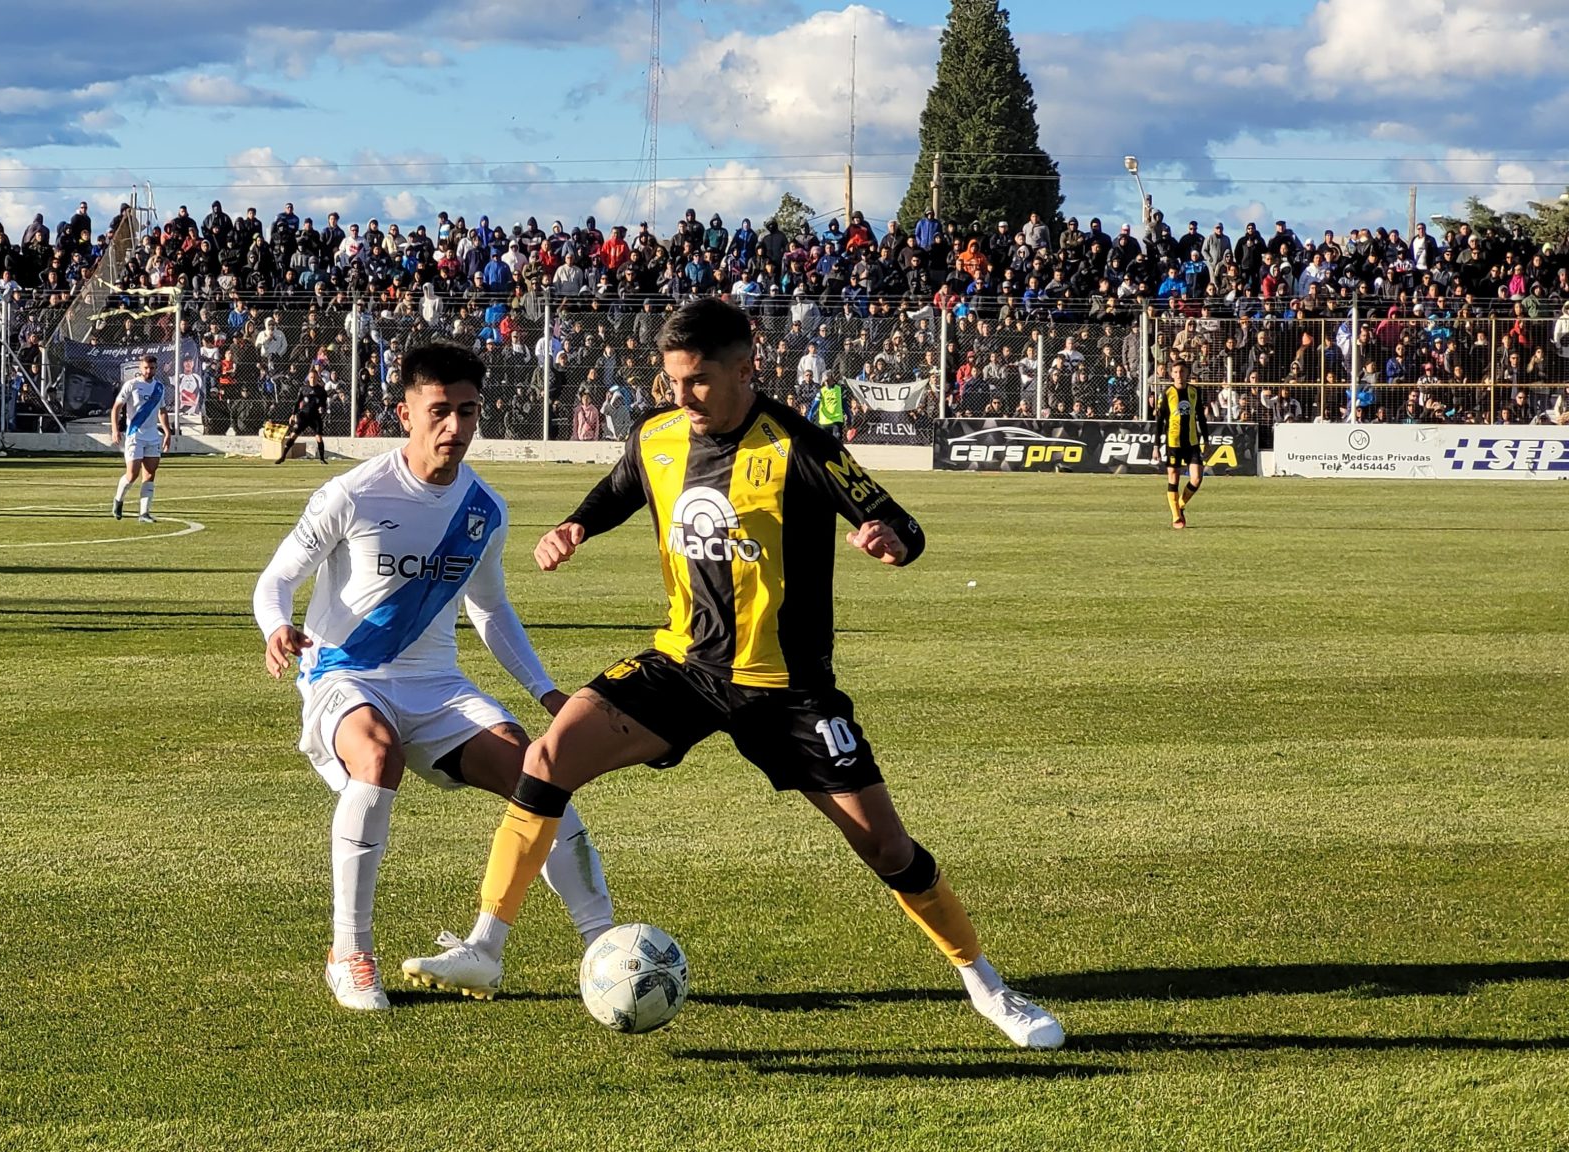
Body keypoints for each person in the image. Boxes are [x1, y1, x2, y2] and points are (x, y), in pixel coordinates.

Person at [401, 298, 1063, 1050]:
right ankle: (487, 946)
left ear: (748, 369)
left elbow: (899, 522)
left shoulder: (799, 445)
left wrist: (889, 540)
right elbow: (622, 488)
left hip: (787, 691)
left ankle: (988, 986)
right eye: (671, 380)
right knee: (548, 756)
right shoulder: (654, 434)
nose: (679, 396)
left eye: (698, 381)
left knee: (886, 847)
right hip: (681, 667)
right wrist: (576, 526)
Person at [253, 342, 614, 1012]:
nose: (455, 426)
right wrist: (276, 626)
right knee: (378, 755)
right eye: (440, 411)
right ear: (406, 413)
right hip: (345, 673)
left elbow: (491, 607)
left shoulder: (485, 509)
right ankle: (350, 953)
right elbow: (275, 582)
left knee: (541, 770)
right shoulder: (352, 493)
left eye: (467, 412)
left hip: (436, 685)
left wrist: (545, 691)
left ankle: (606, 948)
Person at [111, 354, 173, 523]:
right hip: (135, 435)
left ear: (156, 368)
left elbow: (162, 411)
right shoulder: (131, 385)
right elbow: (117, 407)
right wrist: (115, 429)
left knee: (150, 474)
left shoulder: (159, 387)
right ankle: (118, 499)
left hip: (153, 436)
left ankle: (144, 513)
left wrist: (167, 432)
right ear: (140, 368)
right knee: (132, 474)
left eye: (152, 368)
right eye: (146, 368)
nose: (149, 371)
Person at [1153, 359, 1208, 529]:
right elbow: (1160, 421)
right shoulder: (1167, 394)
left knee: (1197, 478)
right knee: (1173, 479)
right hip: (1173, 442)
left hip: (1192, 442)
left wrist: (1207, 441)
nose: (1179, 375)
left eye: (1182, 372)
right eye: (1176, 372)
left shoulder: (1194, 392)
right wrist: (1156, 445)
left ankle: (1181, 505)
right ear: (1171, 374)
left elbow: (1201, 417)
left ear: (1187, 374)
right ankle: (1176, 516)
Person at [276, 371, 329, 463]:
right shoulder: (303, 389)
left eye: (314, 377)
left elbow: (324, 404)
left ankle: (322, 459)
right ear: (308, 378)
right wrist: (293, 414)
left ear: (317, 378)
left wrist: (322, 409)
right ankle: (283, 457)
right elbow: (297, 402)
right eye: (311, 377)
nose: (312, 379)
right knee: (293, 435)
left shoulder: (321, 391)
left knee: (319, 437)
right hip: (303, 415)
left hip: (315, 416)